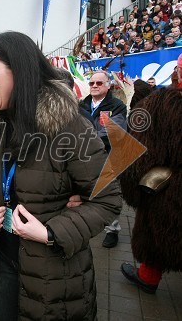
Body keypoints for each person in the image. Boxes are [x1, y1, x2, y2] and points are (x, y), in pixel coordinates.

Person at [0, 31, 122, 321]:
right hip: (1, 258)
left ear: (20, 70)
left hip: (54, 272)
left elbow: (108, 200)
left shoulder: (70, 127)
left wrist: (52, 232)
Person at [119, 87, 181, 294]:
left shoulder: (161, 104)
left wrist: (133, 192)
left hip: (171, 193)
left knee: (157, 234)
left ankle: (147, 278)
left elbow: (140, 155)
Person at [79, 70, 127, 249]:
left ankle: (112, 230)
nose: (94, 86)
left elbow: (114, 131)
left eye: (99, 83)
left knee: (107, 194)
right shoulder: (81, 105)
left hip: (107, 157)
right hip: (84, 157)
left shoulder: (117, 106)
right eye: (92, 83)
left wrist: (85, 139)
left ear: (108, 85)